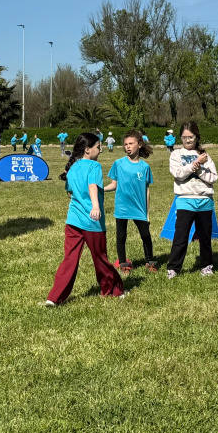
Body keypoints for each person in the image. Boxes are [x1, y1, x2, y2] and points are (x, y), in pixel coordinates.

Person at [46, 133, 125, 305]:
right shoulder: (94, 166)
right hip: (92, 221)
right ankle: (113, 290)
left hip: (72, 221)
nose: (101, 149)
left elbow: (70, 191)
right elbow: (92, 186)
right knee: (100, 258)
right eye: (98, 147)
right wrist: (95, 206)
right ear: (88, 150)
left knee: (69, 259)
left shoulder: (73, 167)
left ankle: (54, 298)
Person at [166, 122, 218, 278]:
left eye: (191, 137)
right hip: (185, 201)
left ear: (197, 137)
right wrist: (194, 165)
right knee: (180, 237)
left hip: (205, 201)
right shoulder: (176, 155)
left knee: (205, 238)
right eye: (184, 137)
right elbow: (178, 174)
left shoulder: (205, 156)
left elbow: (213, 178)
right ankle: (174, 268)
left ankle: (206, 266)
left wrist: (200, 168)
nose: (187, 141)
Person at [109, 129, 156, 274]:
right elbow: (114, 184)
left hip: (139, 208)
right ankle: (123, 264)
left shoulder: (145, 167)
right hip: (122, 206)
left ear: (140, 144)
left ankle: (150, 262)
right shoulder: (118, 163)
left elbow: (146, 190)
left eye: (131, 143)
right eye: (125, 144)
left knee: (146, 235)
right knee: (121, 236)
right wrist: (99, 189)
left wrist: (147, 212)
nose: (127, 146)